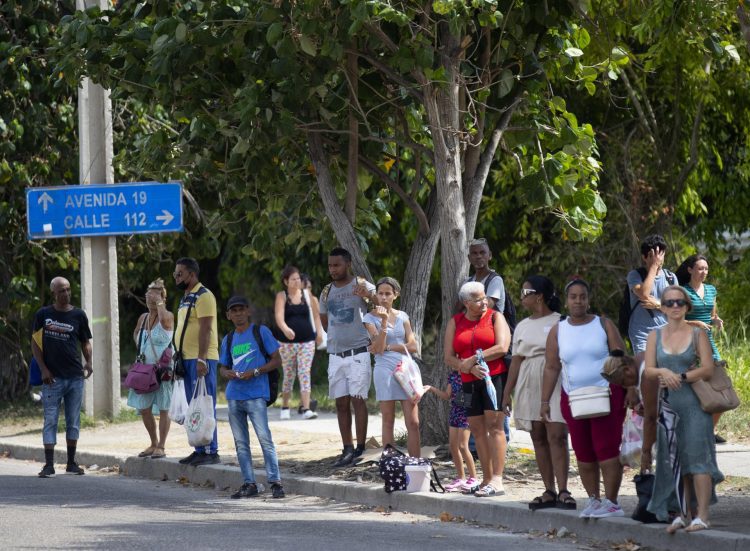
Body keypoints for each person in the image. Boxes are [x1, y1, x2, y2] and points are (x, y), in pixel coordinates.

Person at [541, 278, 627, 518]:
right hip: (573, 398)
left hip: (607, 395)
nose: (578, 301)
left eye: (582, 296)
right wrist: (544, 401)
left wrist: (631, 390)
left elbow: (621, 358)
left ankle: (612, 502)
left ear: (588, 299)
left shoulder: (603, 324)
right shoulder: (559, 329)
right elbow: (551, 367)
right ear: (567, 300)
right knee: (583, 451)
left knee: (606, 449)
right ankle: (594, 500)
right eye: (573, 297)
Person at [643, 285, 723, 533]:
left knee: (699, 458)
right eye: (669, 302)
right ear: (663, 307)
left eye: (679, 302)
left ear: (687, 306)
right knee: (677, 461)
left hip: (694, 404)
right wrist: (664, 371)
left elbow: (708, 368)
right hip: (669, 406)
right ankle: (685, 513)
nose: (675, 306)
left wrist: (682, 375)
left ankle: (703, 516)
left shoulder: (697, 334)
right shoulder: (655, 335)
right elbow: (649, 369)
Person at [502, 276, 574, 510]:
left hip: (554, 376)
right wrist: (506, 394)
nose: (522, 297)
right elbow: (515, 361)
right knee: (538, 436)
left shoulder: (561, 321)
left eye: (526, 292)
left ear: (539, 295)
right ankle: (549, 490)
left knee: (557, 435)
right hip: (528, 380)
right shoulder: (522, 325)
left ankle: (564, 489)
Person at [444, 281, 511, 497]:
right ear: (466, 303)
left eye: (485, 297)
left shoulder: (494, 317)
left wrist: (473, 359)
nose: (484, 302)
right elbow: (448, 357)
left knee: (495, 426)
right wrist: (467, 368)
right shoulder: (456, 322)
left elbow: (502, 347)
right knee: (478, 429)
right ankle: (486, 478)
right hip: (467, 381)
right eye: (478, 299)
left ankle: (498, 479)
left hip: (494, 378)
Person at [219, 296, 285, 499]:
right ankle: (249, 483)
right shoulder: (228, 339)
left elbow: (277, 360)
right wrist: (227, 373)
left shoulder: (260, 332)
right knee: (241, 444)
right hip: (234, 395)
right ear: (228, 315)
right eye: (234, 310)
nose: (238, 313)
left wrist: (255, 371)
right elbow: (222, 367)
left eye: (241, 309)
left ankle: (275, 482)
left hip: (256, 394)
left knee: (265, 440)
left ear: (248, 311)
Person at [319, 247, 377, 467]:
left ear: (348, 264)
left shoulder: (361, 285)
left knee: (358, 400)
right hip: (336, 355)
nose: (333, 269)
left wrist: (369, 296)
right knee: (340, 403)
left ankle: (361, 448)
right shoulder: (326, 291)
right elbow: (325, 321)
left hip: (359, 352)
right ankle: (347, 448)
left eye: (337, 265)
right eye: (330, 265)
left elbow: (382, 308)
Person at [31, 276, 93, 478]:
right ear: (53, 294)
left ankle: (71, 462)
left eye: (67, 290)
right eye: (61, 291)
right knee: (50, 420)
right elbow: (35, 344)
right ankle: (49, 465)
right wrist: (43, 369)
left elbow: (85, 342)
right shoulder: (43, 314)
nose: (65, 294)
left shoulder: (78, 315)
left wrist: (89, 361)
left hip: (75, 377)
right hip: (52, 378)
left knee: (73, 420)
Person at [363, 277, 420, 457]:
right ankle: (391, 465)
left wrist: (389, 347)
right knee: (388, 420)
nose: (384, 297)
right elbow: (377, 348)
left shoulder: (403, 316)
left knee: (413, 422)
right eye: (380, 294)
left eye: (388, 293)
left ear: (395, 295)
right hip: (384, 371)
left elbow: (413, 346)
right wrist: (385, 322)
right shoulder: (369, 318)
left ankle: (415, 463)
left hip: (404, 370)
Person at [173, 257, 221, 466]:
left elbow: (205, 329)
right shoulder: (186, 297)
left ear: (192, 274)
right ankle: (199, 448)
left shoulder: (204, 296)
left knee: (206, 404)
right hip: (187, 358)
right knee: (194, 406)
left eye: (180, 273)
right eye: (175, 274)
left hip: (202, 358)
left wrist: (202, 358)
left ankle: (211, 450)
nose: (176, 277)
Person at [676, 254, 726, 443]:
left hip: (709, 344)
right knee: (695, 392)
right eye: (699, 268)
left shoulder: (712, 290)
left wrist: (716, 320)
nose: (703, 272)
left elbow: (711, 314)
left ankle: (707, 431)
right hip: (689, 344)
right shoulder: (683, 291)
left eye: (706, 268)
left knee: (722, 388)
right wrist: (694, 322)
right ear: (690, 270)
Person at [127, 278, 174, 459]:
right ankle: (153, 442)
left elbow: (164, 321)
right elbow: (136, 335)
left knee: (164, 407)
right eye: (149, 293)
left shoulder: (167, 315)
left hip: (162, 370)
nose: (150, 296)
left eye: (155, 293)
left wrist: (159, 302)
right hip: (144, 370)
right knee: (144, 408)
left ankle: (161, 446)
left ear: (162, 297)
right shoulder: (143, 317)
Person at [274, 265, 321, 420]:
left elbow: (316, 316)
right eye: (293, 279)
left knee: (304, 373)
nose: (296, 281)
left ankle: (306, 408)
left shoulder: (307, 295)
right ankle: (285, 406)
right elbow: (279, 317)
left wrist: (319, 333)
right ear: (286, 281)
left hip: (307, 341)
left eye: (298, 278)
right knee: (288, 374)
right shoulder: (281, 296)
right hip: (286, 343)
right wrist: (285, 328)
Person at [424, 370, 478, 492]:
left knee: (463, 446)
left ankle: (474, 478)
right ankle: (461, 478)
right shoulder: (453, 376)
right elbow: (447, 395)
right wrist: (431, 388)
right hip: (455, 412)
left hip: (467, 412)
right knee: (453, 446)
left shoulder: (471, 374)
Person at [627, 234, 677, 362]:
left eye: (661, 254)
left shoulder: (671, 278)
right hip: (642, 334)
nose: (658, 259)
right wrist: (654, 267)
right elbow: (644, 294)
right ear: (644, 257)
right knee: (647, 370)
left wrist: (659, 305)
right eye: (653, 255)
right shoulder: (635, 275)